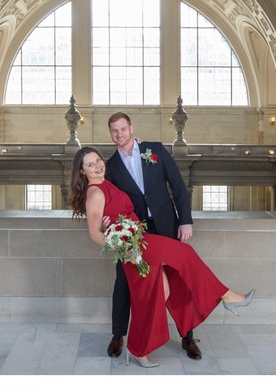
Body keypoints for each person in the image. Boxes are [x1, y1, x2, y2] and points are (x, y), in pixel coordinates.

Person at [70, 146, 254, 367]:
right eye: (90, 164)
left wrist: (110, 225)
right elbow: (94, 233)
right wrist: (123, 248)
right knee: (184, 254)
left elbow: (107, 217)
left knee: (159, 292)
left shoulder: (105, 183)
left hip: (141, 239)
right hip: (135, 247)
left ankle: (139, 349)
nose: (98, 165)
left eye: (98, 160)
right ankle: (227, 296)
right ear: (82, 171)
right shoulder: (95, 192)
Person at [104, 112, 202, 360]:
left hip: (166, 226)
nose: (120, 134)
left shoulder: (154, 150)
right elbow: (110, 200)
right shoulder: (111, 167)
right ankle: (118, 335)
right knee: (124, 283)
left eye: (123, 129)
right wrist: (107, 221)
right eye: (114, 131)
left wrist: (185, 220)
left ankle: (187, 336)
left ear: (131, 127)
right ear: (110, 133)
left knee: (176, 280)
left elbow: (178, 186)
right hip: (134, 232)